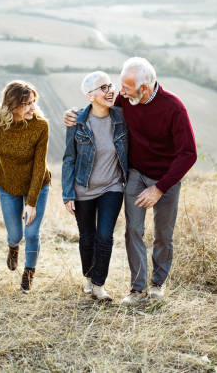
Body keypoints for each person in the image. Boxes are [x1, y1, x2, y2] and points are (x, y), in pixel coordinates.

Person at [64, 58, 197, 304]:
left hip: (166, 179)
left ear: (144, 88)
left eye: (125, 87)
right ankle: (137, 290)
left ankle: (157, 285)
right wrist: (73, 115)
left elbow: (189, 154)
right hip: (135, 174)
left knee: (163, 234)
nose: (119, 93)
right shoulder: (127, 100)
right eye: (120, 87)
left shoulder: (174, 108)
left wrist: (159, 188)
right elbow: (97, 109)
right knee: (133, 230)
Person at [62, 71, 128, 302]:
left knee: (105, 236)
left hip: (112, 187)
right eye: (103, 88)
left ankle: (99, 284)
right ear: (90, 96)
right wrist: (67, 194)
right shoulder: (77, 121)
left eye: (110, 85)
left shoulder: (121, 117)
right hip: (83, 189)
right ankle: (89, 278)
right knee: (87, 238)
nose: (110, 90)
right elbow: (69, 158)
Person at [0, 81, 51, 293]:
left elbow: (40, 166)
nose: (33, 107)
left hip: (38, 185)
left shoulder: (40, 126)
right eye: (26, 104)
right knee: (15, 235)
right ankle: (13, 247)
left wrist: (31, 203)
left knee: (31, 233)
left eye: (33, 102)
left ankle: (28, 274)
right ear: (11, 106)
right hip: (7, 185)